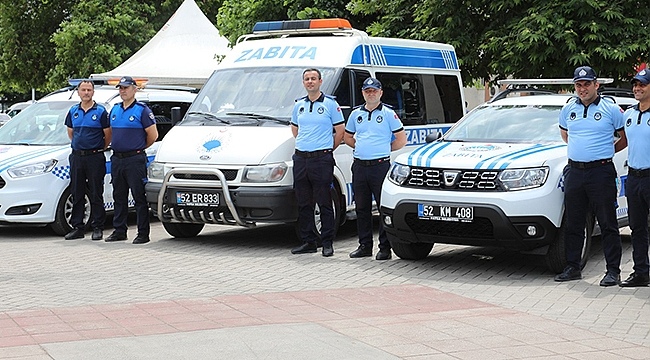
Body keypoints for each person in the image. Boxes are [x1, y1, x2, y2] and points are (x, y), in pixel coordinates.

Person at [555, 66, 627, 286]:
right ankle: (573, 267)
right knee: (574, 222)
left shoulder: (610, 109)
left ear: (596, 85)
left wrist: (603, 153)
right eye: (578, 85)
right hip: (575, 172)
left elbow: (624, 137)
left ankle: (613, 271)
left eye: (587, 84)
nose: (582, 88)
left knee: (607, 222)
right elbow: (566, 134)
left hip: (601, 172)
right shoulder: (568, 109)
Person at [344, 78, 406, 260]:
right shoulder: (356, 114)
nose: (370, 93)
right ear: (363, 93)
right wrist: (361, 148)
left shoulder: (388, 113)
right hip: (360, 166)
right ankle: (364, 246)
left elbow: (401, 140)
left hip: (380, 166)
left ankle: (385, 248)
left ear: (380, 93)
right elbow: (348, 137)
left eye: (374, 90)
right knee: (361, 208)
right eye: (367, 91)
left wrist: (383, 149)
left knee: (382, 207)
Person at [290, 68, 345, 257]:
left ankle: (327, 242)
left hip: (321, 159)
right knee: (303, 202)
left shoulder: (331, 104)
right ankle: (308, 241)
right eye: (307, 79)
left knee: (324, 202)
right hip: (301, 158)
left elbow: (340, 131)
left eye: (313, 78)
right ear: (303, 83)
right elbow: (295, 129)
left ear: (320, 81)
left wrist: (327, 149)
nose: (310, 82)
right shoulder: (299, 105)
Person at [105, 76, 158, 245]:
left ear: (135, 89)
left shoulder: (142, 110)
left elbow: (153, 135)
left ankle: (143, 233)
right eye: (120, 88)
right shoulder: (114, 109)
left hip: (134, 159)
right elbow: (111, 133)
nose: (123, 91)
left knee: (139, 197)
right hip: (117, 159)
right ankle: (120, 230)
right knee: (118, 196)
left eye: (126, 88)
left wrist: (138, 147)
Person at [63, 80, 111, 241]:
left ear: (93, 92)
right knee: (77, 192)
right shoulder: (73, 111)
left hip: (95, 156)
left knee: (96, 192)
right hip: (77, 157)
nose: (86, 93)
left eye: (89, 90)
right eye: (83, 90)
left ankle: (97, 227)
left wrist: (98, 148)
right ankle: (78, 227)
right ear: (78, 92)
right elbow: (71, 133)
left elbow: (107, 135)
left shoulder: (101, 111)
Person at [620, 69, 650, 287]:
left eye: (643, 84)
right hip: (634, 177)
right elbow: (622, 141)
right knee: (637, 228)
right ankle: (641, 272)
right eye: (635, 85)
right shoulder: (628, 114)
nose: (637, 88)